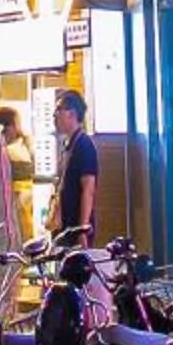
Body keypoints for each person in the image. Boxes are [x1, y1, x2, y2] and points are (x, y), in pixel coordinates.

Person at [51, 92, 98, 241]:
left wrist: (82, 229)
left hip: (75, 226)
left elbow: (88, 188)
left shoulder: (84, 145)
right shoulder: (68, 143)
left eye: (59, 109)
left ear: (72, 114)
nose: (54, 115)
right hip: (64, 224)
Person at [0, 106, 37, 241]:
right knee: (24, 231)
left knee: (22, 232)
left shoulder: (10, 149)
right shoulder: (19, 145)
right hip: (22, 196)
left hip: (19, 196)